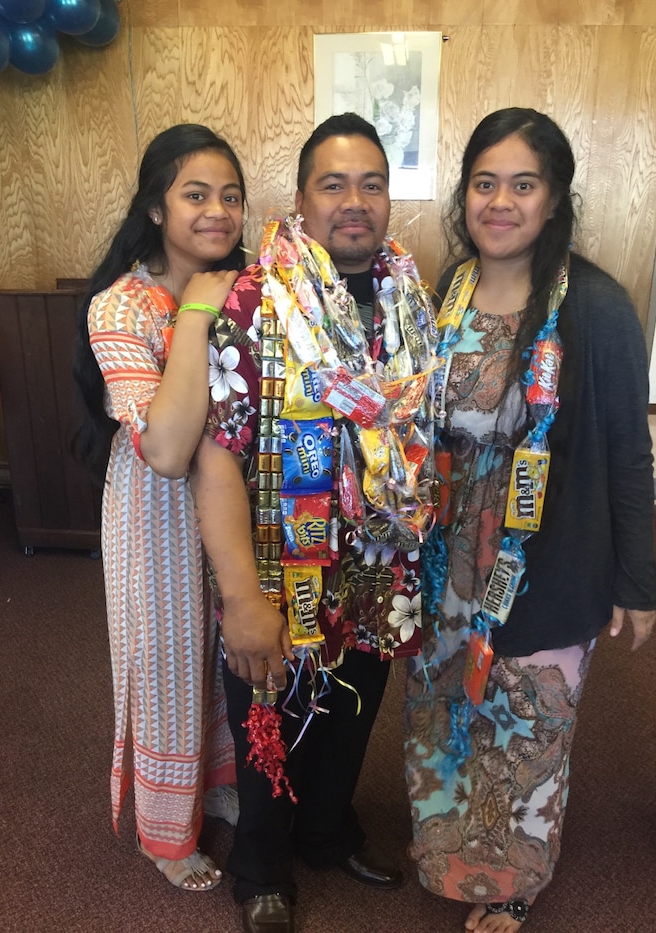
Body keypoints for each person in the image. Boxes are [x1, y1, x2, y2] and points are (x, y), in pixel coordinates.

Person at [403, 107, 656, 932]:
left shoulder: (595, 307)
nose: (500, 202)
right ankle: (447, 854)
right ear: (465, 195)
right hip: (445, 557)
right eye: (485, 183)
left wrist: (636, 580)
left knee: (526, 722)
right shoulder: (448, 289)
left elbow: (629, 452)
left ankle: (511, 881)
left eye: (523, 184)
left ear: (554, 199)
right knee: (445, 712)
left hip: (546, 559)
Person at [189, 112, 438, 933]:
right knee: (270, 712)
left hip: (379, 561)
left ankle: (329, 834)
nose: (354, 201)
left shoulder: (412, 297)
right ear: (300, 198)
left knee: (354, 708)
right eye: (334, 184)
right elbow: (216, 454)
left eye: (372, 183)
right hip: (278, 566)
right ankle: (261, 866)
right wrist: (240, 595)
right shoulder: (257, 300)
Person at [73, 124, 248, 891]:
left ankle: (216, 784)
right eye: (196, 194)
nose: (218, 211)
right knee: (169, 664)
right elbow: (169, 449)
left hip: (238, 509)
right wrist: (197, 315)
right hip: (158, 516)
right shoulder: (121, 307)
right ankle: (165, 834)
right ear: (155, 207)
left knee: (224, 654)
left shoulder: (249, 286)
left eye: (231, 196)